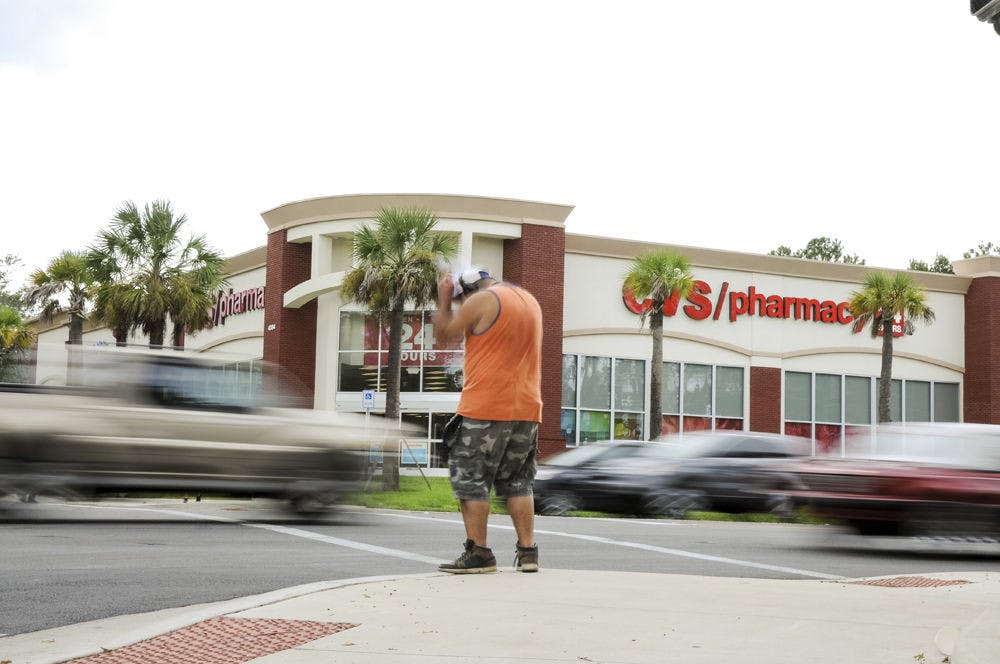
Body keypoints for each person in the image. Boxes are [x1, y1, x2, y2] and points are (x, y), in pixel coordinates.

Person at [432, 267, 543, 573]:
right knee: (519, 482)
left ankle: (479, 553)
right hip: (527, 410)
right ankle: (528, 552)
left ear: (467, 291)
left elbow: (443, 334)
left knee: (471, 481)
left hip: (486, 408)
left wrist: (444, 301)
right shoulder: (529, 300)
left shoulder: (481, 300)